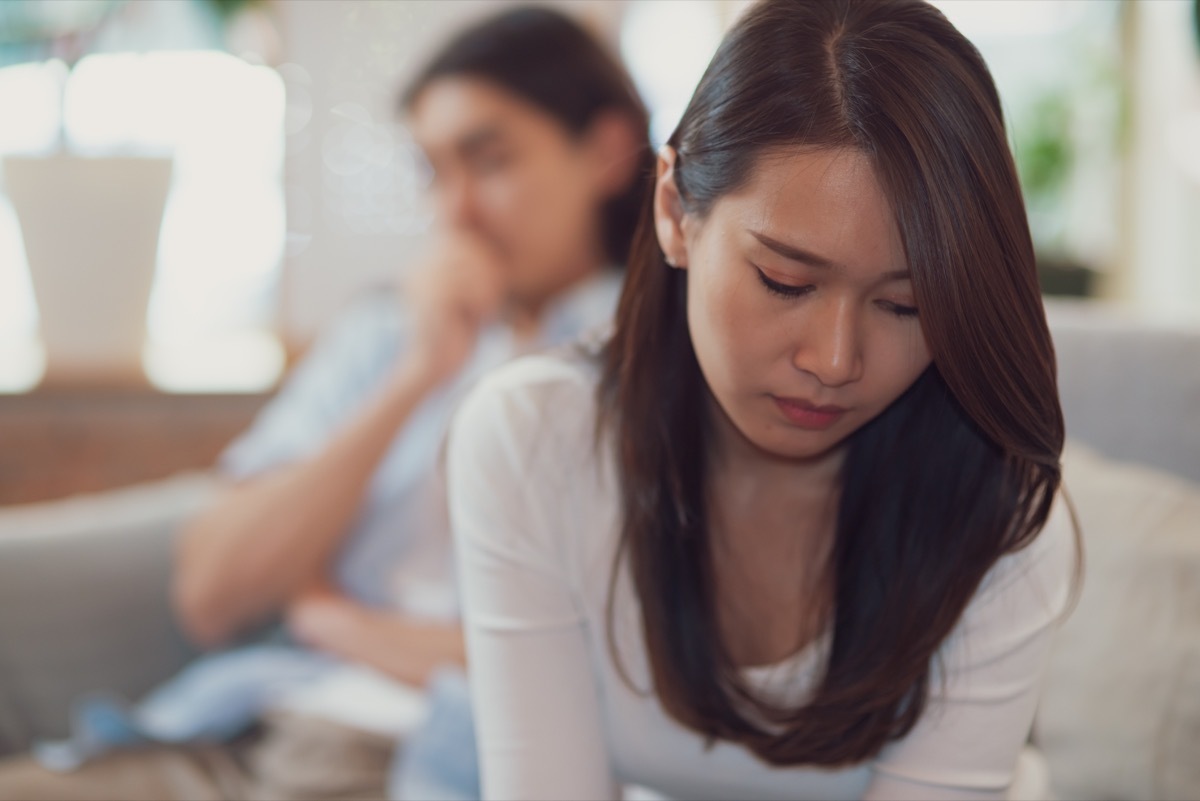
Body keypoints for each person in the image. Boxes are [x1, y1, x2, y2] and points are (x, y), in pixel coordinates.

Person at [0, 7, 650, 800]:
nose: (455, 213)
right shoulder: (386, 331)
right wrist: (414, 375)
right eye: (433, 173)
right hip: (234, 724)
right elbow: (210, 590)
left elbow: (610, 665)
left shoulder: (650, 359)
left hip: (415, 754)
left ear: (608, 151)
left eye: (490, 161)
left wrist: (338, 623)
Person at [445, 1, 1080, 799]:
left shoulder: (997, 512)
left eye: (905, 305)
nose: (836, 360)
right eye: (785, 281)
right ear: (676, 212)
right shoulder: (530, 440)